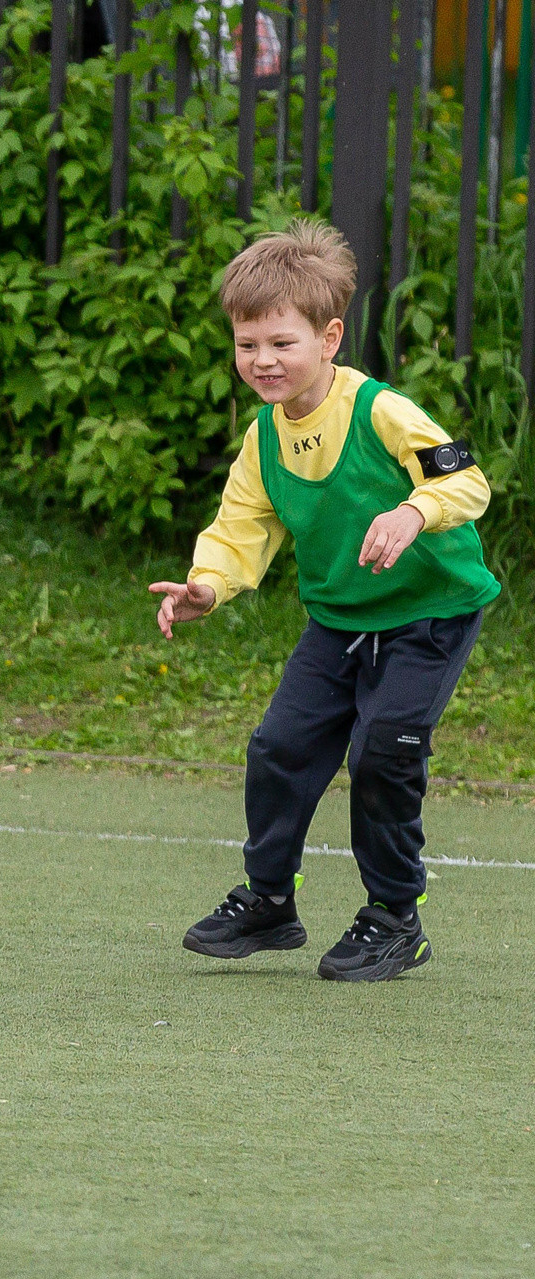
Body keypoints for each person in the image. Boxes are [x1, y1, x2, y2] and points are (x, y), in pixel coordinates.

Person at [151, 219, 498, 981]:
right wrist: (208, 585)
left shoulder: (381, 410)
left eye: (282, 342)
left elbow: (467, 480)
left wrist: (413, 512)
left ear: (329, 337)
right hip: (339, 619)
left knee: (384, 750)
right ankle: (271, 901)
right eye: (248, 345)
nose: (263, 361)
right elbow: (241, 525)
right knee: (279, 748)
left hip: (429, 615)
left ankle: (394, 919)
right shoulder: (264, 438)